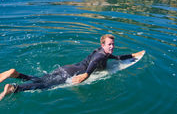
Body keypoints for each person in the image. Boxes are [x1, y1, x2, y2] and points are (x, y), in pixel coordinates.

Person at [0, 34, 145, 100]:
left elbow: (118, 58)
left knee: (43, 79)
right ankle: (15, 88)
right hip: (70, 74)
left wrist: (133, 55)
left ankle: (16, 75)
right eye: (109, 44)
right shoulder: (100, 55)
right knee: (45, 86)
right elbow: (94, 62)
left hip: (67, 68)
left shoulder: (102, 52)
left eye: (113, 44)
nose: (112, 47)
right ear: (103, 45)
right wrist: (86, 75)